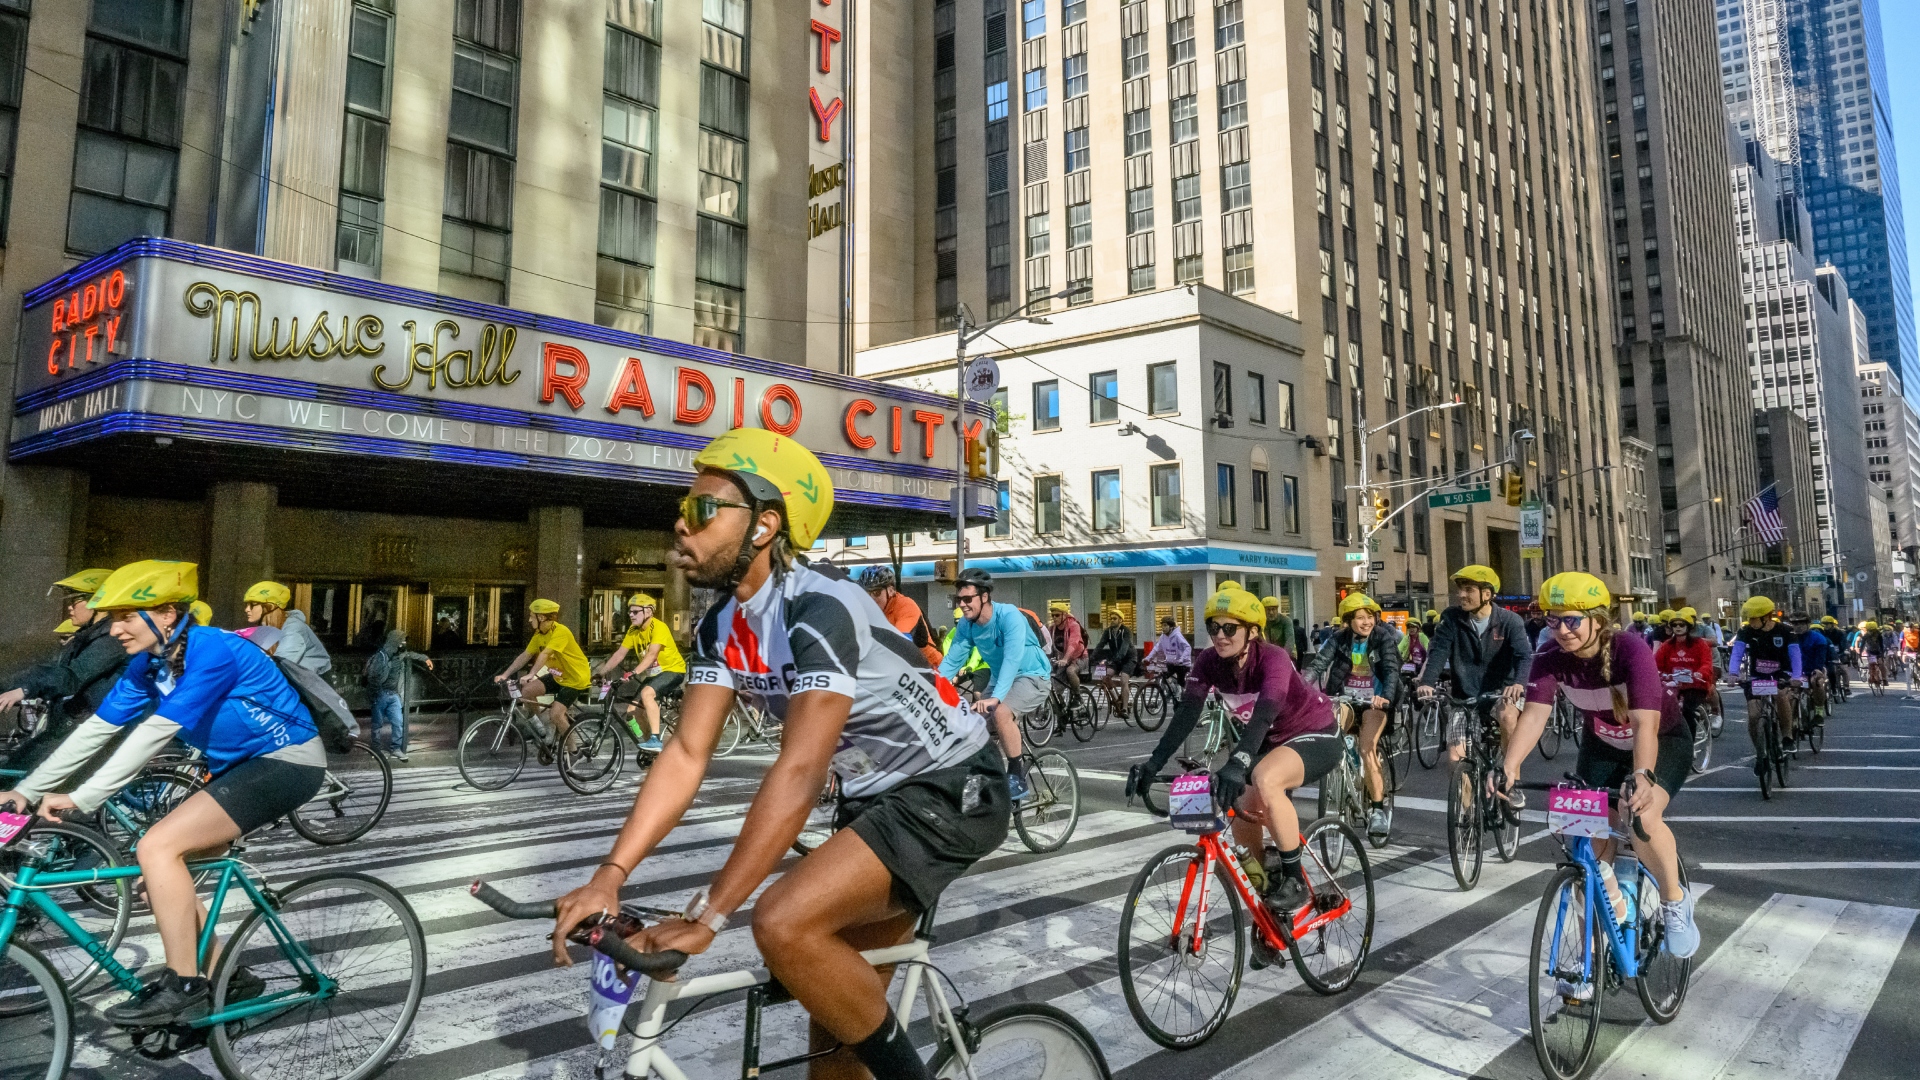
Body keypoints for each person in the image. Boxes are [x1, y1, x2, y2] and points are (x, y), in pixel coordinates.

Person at [551, 430, 1005, 1080]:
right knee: (835, 1012)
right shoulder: (720, 626)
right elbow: (684, 752)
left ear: (765, 526)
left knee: (782, 923)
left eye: (705, 508)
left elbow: (799, 770)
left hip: (953, 789)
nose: (683, 521)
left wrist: (708, 916)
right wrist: (610, 875)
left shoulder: (819, 608)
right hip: (876, 798)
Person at [0, 560, 326, 1024]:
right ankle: (228, 978)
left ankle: (185, 983)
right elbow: (97, 729)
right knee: (159, 882)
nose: (115, 629)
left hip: (287, 762)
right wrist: (28, 791)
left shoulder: (213, 651)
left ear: (168, 614)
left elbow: (154, 732)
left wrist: (82, 798)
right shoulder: (148, 666)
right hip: (234, 768)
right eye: (113, 618)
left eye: (127, 617)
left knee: (157, 846)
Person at [1495, 572, 1701, 965]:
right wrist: (1509, 765)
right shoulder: (1548, 658)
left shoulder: (1631, 650)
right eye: (1553, 620)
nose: (1562, 630)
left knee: (1640, 817)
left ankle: (1675, 903)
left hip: (1662, 741)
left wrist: (1642, 776)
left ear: (1598, 619)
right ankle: (1588, 955)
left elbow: (1645, 725)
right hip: (1601, 746)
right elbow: (1535, 716)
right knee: (1583, 845)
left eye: (1571, 620)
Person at [1131, 588, 1340, 943]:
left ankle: (1294, 879)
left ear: (1252, 631)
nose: (1220, 636)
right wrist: (1153, 763)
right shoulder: (1208, 661)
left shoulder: (1272, 658)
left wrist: (1239, 760)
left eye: (1230, 628)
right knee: (1240, 804)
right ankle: (1270, 914)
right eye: (1214, 628)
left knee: (1264, 779)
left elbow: (1266, 710)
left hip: (1314, 733)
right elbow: (1186, 714)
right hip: (1268, 743)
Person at [941, 567, 1053, 802]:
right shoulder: (967, 625)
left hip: (1032, 675)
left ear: (984, 597)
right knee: (970, 723)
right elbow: (950, 663)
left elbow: (1012, 660)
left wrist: (995, 698)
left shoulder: (1009, 616)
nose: (962, 604)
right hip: (1000, 677)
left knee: (1001, 713)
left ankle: (1016, 776)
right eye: (958, 599)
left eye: (967, 598)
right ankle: (986, 775)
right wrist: (927, 690)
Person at [0, 569, 128, 772]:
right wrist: (9, 685)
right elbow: (48, 669)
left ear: (97, 601)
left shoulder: (111, 638)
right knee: (14, 768)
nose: (68, 608)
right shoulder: (85, 635)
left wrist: (23, 690)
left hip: (85, 727)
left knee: (19, 776)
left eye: (75, 601)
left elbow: (71, 676)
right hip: (68, 722)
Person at [1416, 564, 1533, 787]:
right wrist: (1427, 682)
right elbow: (1439, 651)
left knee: (1508, 718)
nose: (1461, 595)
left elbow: (1524, 656)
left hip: (1501, 693)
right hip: (1464, 697)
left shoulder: (1510, 621)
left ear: (1487, 594)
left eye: (1469, 589)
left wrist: (1518, 683)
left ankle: (1511, 780)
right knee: (1454, 758)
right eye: (1460, 590)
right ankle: (1465, 815)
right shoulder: (1451, 618)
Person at [1303, 593, 1402, 840]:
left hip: (1374, 702)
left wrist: (1386, 697)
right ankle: (1341, 774)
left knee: (1368, 747)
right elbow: (1317, 666)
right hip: (1344, 698)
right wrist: (1301, 691)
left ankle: (1378, 810)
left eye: (1370, 617)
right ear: (1349, 620)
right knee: (1330, 731)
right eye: (1360, 617)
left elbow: (1391, 670)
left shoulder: (1383, 638)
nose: (1366, 622)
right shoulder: (1338, 639)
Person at [494, 598, 593, 758]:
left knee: (556, 714)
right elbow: (526, 655)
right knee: (527, 691)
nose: (529, 619)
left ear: (541, 617)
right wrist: (505, 674)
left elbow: (545, 653)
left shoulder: (561, 632)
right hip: (559, 675)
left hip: (576, 678)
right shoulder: (539, 634)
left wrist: (532, 674)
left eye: (532, 616)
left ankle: (574, 751)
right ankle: (540, 727)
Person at [594, 594, 687, 753]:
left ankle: (655, 740)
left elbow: (651, 655)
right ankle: (649, 749)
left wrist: (634, 672)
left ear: (649, 612)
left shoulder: (659, 627)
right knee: (633, 711)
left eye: (636, 612)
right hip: (654, 675)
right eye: (630, 611)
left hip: (673, 670)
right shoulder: (633, 631)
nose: (631, 614)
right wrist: (600, 673)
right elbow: (619, 654)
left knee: (646, 694)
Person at [1729, 596, 1802, 776]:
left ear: (1766, 617)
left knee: (1781, 695)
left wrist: (1797, 676)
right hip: (1757, 675)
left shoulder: (1786, 631)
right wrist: (1732, 673)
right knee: (1754, 715)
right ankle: (1760, 753)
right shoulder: (1746, 631)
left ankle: (1787, 737)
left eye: (1754, 618)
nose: (1750, 622)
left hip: (1781, 674)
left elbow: (1795, 655)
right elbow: (1737, 652)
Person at [365, 629, 433, 761]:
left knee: (398, 722)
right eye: (401, 640)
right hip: (381, 694)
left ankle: (396, 749)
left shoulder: (400, 654)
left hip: (393, 694)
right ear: (395, 641)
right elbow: (373, 677)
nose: (404, 643)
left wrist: (426, 659)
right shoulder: (382, 656)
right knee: (377, 724)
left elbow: (412, 655)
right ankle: (376, 748)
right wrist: (374, 695)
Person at [857, 566, 944, 668]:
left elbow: (900, 645)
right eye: (865, 593)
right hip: (902, 667)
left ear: (891, 590)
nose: (870, 599)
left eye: (876, 593)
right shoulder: (866, 611)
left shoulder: (905, 606)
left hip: (930, 667)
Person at [241, 581, 331, 674]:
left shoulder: (294, 628)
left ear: (270, 606)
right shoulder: (265, 629)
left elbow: (281, 664)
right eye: (246, 605)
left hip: (314, 684)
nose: (246, 609)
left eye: (253, 604)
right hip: (294, 680)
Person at [1653, 608, 1715, 745]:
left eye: (1682, 625)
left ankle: (1690, 745)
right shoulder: (1666, 645)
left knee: (1688, 709)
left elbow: (1706, 663)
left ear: (1689, 626)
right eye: (1675, 625)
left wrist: (1700, 672)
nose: (1678, 628)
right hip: (1673, 685)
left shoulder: (1700, 644)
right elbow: (1656, 664)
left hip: (1695, 685)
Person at [1090, 610, 1138, 713]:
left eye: (1114, 618)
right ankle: (1116, 699)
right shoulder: (1108, 631)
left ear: (1121, 620)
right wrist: (1092, 657)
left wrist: (1117, 658)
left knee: (1124, 679)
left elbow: (1124, 647)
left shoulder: (1126, 631)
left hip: (1129, 658)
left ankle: (1124, 708)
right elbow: (1100, 644)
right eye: (1111, 618)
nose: (1112, 620)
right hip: (1116, 658)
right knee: (1106, 676)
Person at [1789, 611, 1832, 723]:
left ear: (1808, 624)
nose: (1798, 626)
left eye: (1801, 623)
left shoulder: (1818, 638)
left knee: (1816, 682)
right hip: (1794, 672)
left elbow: (1820, 658)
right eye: (1795, 624)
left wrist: (1817, 670)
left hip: (1813, 668)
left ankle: (1819, 712)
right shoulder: (1789, 637)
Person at [1144, 614, 1193, 688]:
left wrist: (1181, 659)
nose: (1163, 628)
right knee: (1165, 680)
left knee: (1181, 683)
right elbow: (1156, 648)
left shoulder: (1177, 636)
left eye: (1165, 625)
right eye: (1162, 626)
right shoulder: (1163, 637)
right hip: (1171, 663)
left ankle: (1182, 695)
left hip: (1182, 665)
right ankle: (1170, 695)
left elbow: (1188, 647)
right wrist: (1148, 658)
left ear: (1171, 627)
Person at [1049, 605, 1086, 695]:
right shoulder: (1052, 628)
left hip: (1079, 658)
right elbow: (1046, 644)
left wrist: (1066, 659)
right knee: (1057, 685)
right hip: (1062, 660)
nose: (1054, 618)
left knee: (1070, 671)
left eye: (1057, 615)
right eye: (1052, 615)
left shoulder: (1074, 625)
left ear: (1065, 615)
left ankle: (1078, 697)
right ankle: (1059, 706)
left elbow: (1073, 643)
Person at [1261, 596, 1299, 662]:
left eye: (1273, 609)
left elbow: (1289, 640)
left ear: (1277, 609)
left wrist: (1282, 657)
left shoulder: (1286, 620)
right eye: (1268, 610)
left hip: (1286, 653)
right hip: (1268, 654)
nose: (1271, 613)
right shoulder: (1261, 622)